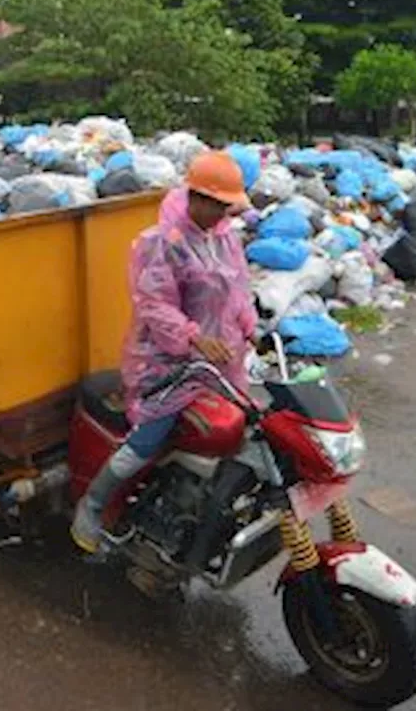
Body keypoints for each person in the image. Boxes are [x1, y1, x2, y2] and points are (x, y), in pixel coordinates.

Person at [71, 151, 257, 553]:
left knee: (236, 427)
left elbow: (238, 290)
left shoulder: (224, 237)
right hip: (165, 361)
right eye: (218, 205)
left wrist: (250, 326)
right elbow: (154, 304)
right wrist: (191, 337)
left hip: (216, 359)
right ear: (197, 197)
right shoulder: (160, 244)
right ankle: (92, 506)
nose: (223, 213)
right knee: (150, 437)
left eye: (228, 206)